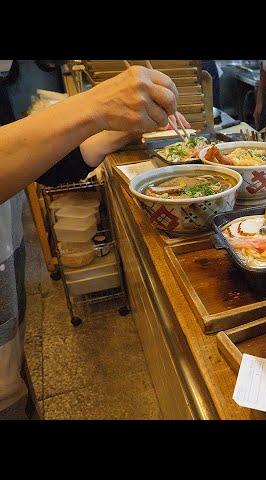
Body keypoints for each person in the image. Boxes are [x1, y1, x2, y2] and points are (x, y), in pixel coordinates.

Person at [0, 65, 184, 419]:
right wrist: (93, 106)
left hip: (8, 258)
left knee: (13, 384)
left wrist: (119, 132)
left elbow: (34, 165)